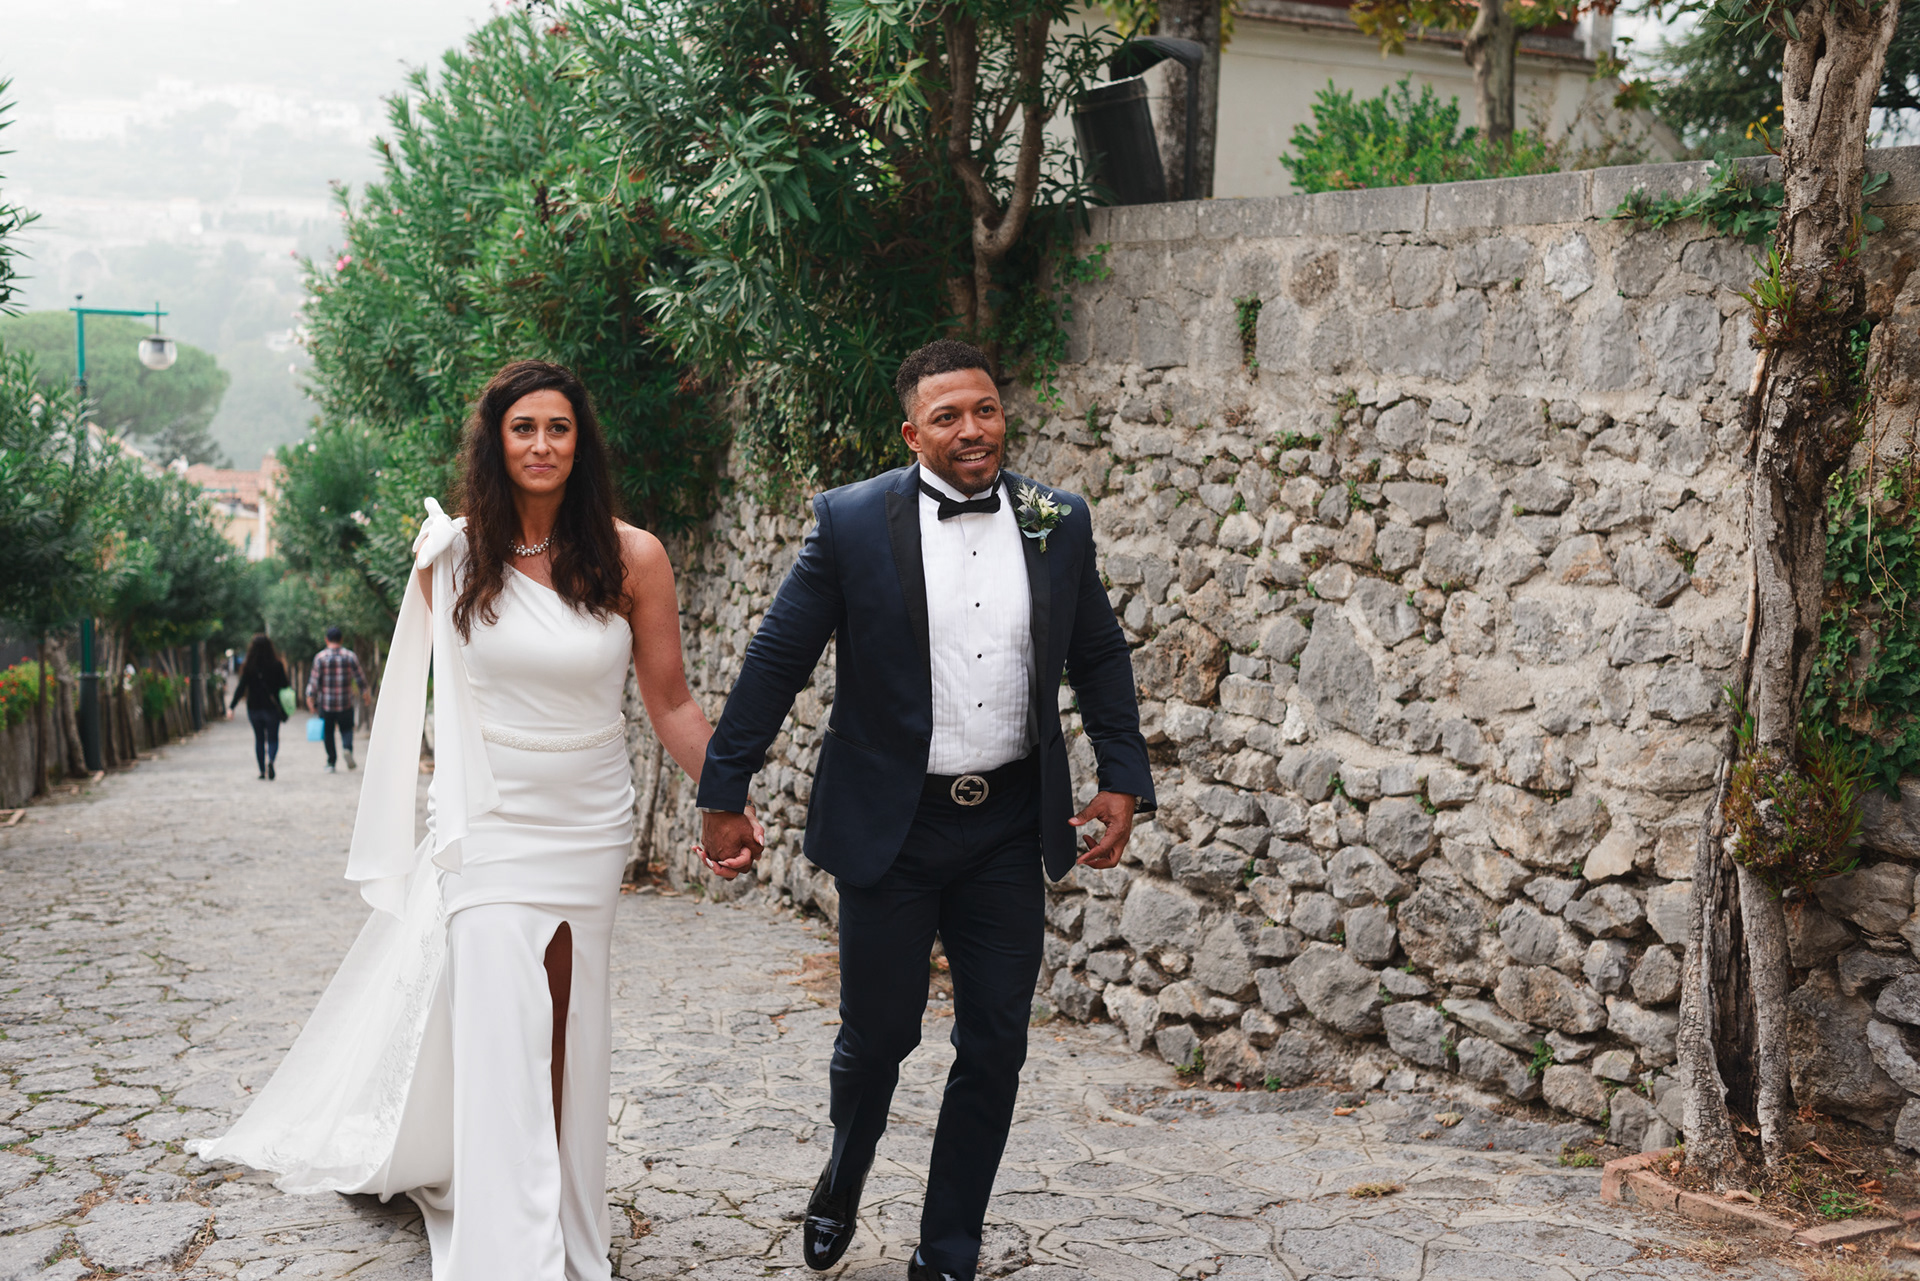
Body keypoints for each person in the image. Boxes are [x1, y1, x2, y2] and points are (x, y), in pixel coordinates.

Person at [195, 360, 748, 1281]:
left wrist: (727, 796)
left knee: (566, 1022)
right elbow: (424, 701)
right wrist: (434, 811)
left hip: (589, 818)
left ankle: (565, 1207)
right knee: (503, 1022)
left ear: (582, 442)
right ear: (495, 441)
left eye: (559, 428)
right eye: (523, 427)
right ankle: (512, 1245)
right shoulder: (450, 557)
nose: (542, 444)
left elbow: (672, 701)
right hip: (488, 819)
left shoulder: (633, 557)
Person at [697, 338, 1155, 1281]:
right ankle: (843, 1173)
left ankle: (948, 1247)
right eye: (948, 416)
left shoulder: (1056, 520)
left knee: (996, 1041)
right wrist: (723, 789)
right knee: (878, 1040)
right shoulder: (851, 523)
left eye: (985, 409)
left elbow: (1099, 653)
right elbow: (777, 659)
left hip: (1007, 824)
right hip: (893, 828)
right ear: (913, 434)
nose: (972, 429)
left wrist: (1122, 774)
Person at [227, 633, 290, 780]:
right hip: (272, 708)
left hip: (254, 708)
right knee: (273, 738)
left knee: (259, 739)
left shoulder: (248, 666)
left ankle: (262, 771)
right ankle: (271, 761)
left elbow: (241, 688)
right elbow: (285, 686)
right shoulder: (277, 665)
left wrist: (231, 707)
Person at [306, 625, 369, 772]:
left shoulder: (320, 657)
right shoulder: (350, 656)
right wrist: (365, 693)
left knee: (328, 733)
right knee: (346, 729)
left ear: (326, 640)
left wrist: (310, 698)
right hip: (345, 703)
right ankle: (347, 749)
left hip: (326, 704)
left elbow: (314, 682)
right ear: (341, 639)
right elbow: (360, 678)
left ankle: (331, 762)